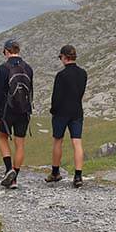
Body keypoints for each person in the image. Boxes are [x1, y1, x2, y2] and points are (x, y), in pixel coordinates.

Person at [0, 38, 33, 188]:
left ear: (6, 51)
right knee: (20, 143)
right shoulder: (28, 68)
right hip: (24, 110)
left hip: (7, 110)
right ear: (18, 50)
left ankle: (9, 169)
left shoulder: (3, 68)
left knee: (2, 138)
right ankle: (15, 178)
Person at [46, 44, 87, 187]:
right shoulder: (83, 73)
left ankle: (55, 173)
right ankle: (78, 176)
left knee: (58, 141)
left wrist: (53, 110)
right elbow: (81, 93)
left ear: (64, 57)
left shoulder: (61, 75)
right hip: (77, 111)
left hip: (61, 112)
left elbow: (56, 97)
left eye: (60, 57)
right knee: (77, 142)